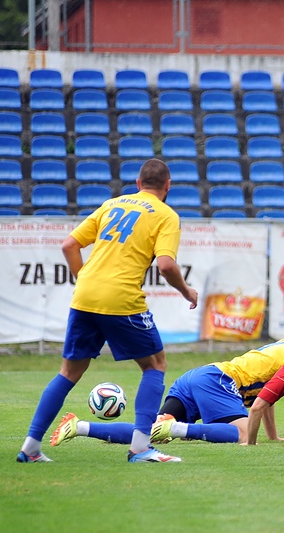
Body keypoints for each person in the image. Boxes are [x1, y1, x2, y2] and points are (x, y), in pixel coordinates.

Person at [17, 158, 199, 464]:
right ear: (168, 187)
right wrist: (186, 291)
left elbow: (69, 246)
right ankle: (140, 448)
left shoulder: (111, 204)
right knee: (155, 365)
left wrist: (86, 280)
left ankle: (31, 446)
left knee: (69, 372)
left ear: (138, 184)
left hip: (85, 294)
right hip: (121, 297)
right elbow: (166, 265)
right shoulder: (167, 215)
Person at [50, 316, 284, 447]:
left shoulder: (282, 350)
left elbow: (266, 399)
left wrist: (272, 436)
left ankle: (80, 426)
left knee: (146, 433)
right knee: (244, 435)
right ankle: (176, 428)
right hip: (218, 380)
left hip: (197, 377)